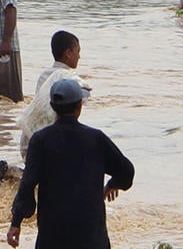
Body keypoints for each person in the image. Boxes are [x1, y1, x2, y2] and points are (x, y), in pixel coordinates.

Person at [7, 79, 135, 249]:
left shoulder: (40, 140)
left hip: (52, 237)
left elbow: (27, 184)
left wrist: (16, 223)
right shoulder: (96, 139)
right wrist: (114, 184)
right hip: (91, 238)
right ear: (79, 105)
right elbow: (126, 171)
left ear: (52, 107)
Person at [17, 31, 90, 159]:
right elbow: (85, 94)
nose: (79, 56)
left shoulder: (44, 76)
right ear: (68, 53)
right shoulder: (69, 78)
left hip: (29, 137)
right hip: (52, 140)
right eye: (77, 51)